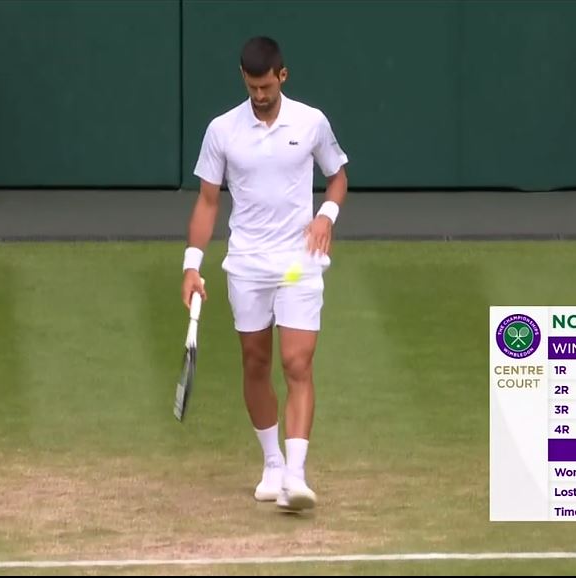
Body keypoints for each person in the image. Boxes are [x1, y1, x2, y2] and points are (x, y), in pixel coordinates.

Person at [181, 36, 349, 512]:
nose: (259, 95)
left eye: (266, 86)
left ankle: (296, 474)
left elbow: (337, 176)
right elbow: (208, 202)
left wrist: (326, 216)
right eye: (252, 87)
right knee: (255, 363)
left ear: (282, 76)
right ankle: (272, 464)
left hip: (298, 264)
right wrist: (192, 266)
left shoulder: (311, 122)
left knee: (297, 363)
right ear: (244, 79)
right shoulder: (221, 130)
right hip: (247, 265)